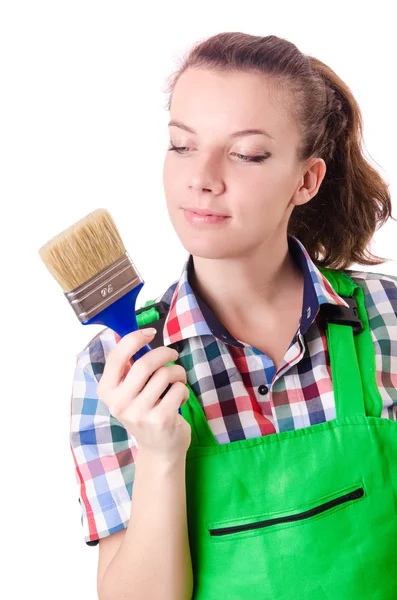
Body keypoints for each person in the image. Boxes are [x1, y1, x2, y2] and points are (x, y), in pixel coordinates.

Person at [70, 32, 397, 600]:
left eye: (246, 154)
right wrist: (161, 452)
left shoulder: (386, 318)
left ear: (307, 180)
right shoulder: (114, 369)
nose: (203, 177)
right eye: (182, 145)